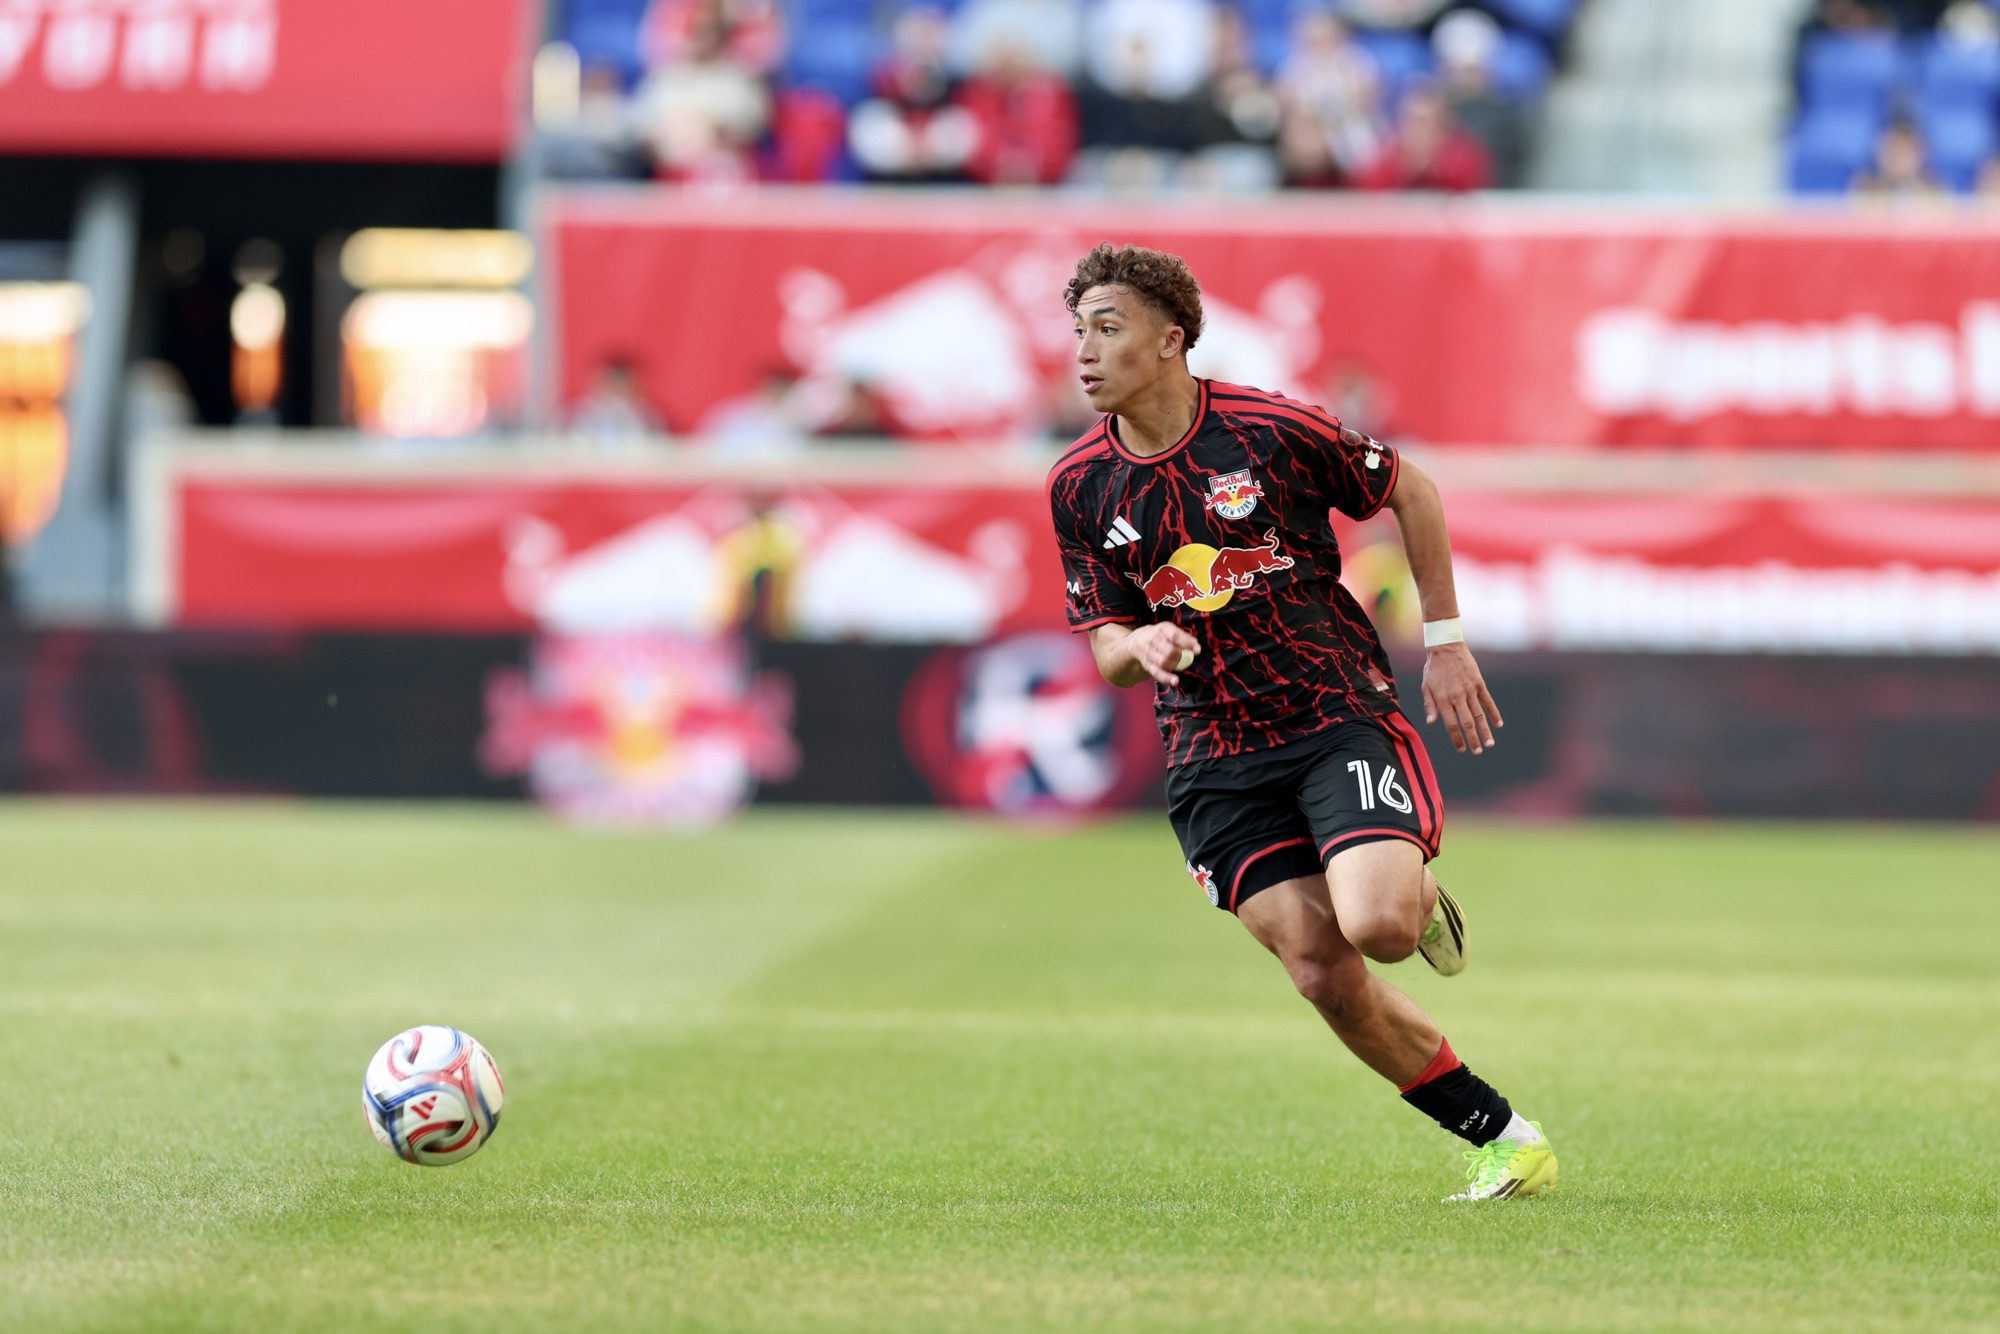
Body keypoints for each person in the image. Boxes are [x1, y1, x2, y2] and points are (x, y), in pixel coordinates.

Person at [1045, 243, 1558, 1202]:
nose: (1084, 350)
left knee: (1380, 930)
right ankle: (1506, 1140)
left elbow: (1411, 489)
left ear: (1171, 340)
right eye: (1077, 331)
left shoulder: (1266, 430)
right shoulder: (1078, 484)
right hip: (1212, 755)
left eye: (1106, 329)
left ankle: (1409, 891)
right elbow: (1105, 644)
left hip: (1331, 714)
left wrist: (1445, 642)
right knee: (1321, 973)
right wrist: (1142, 647)